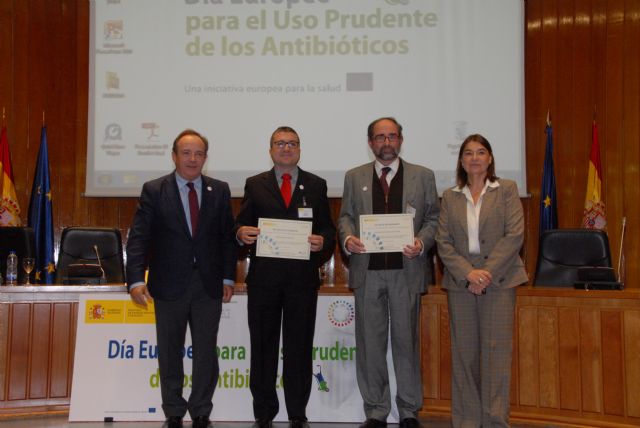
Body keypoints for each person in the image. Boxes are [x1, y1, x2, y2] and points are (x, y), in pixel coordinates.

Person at [126, 129, 236, 428]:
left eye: (199, 153)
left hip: (208, 285)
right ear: (174, 156)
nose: (192, 159)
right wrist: (135, 279)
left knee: (206, 352)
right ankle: (173, 410)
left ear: (206, 158)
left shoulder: (219, 190)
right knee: (170, 350)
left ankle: (201, 410)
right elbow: (139, 238)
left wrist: (228, 277)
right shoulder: (154, 189)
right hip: (168, 284)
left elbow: (227, 238)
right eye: (186, 153)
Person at [338, 117, 440, 428]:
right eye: (380, 137)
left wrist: (422, 242)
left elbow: (433, 218)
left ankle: (408, 410)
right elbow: (345, 217)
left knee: (406, 342)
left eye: (392, 136)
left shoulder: (423, 176)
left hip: (405, 272)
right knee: (370, 344)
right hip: (368, 272)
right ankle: (376, 410)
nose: (387, 142)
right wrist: (348, 239)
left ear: (401, 140)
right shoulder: (354, 176)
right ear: (371, 142)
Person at [234, 126, 336, 428]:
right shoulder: (255, 184)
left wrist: (323, 241)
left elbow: (328, 229)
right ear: (270, 150)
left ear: (300, 149)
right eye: (280, 143)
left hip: (301, 282)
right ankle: (264, 412)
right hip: (264, 281)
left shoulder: (316, 185)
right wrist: (240, 233)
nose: (286, 148)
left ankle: (297, 413)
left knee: (299, 349)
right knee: (263, 347)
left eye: (292, 143)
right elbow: (241, 224)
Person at [435, 134, 528, 428]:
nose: (474, 158)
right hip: (461, 283)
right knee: (464, 355)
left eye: (480, 152)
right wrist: (468, 273)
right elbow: (443, 241)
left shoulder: (507, 189)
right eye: (468, 153)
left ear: (490, 158)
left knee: (495, 354)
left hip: (499, 281)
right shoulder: (450, 196)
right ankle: (467, 421)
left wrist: (485, 273)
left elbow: (514, 235)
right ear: (461, 161)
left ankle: (494, 421)